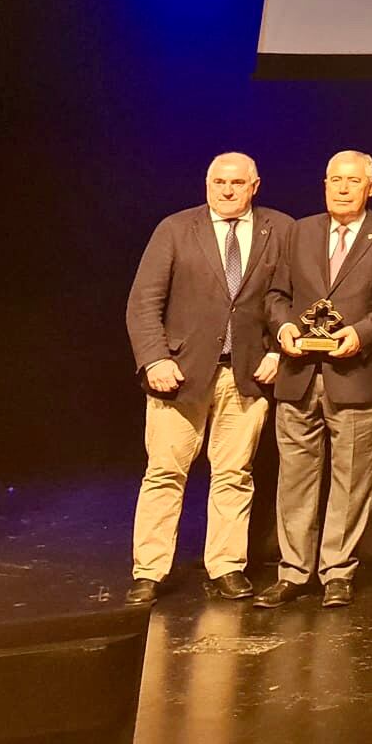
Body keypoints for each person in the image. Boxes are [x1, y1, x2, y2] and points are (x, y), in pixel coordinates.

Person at [123, 153, 291, 605]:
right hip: (179, 376)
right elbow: (143, 304)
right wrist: (155, 359)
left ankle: (226, 566)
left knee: (234, 473)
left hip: (246, 374)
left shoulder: (281, 230)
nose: (227, 190)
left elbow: (291, 300)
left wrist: (279, 351)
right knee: (164, 472)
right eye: (219, 181)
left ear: (255, 185)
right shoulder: (176, 229)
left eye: (237, 183)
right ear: (206, 182)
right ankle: (150, 571)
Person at [256, 151, 372, 608]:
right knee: (295, 478)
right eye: (334, 180)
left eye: (352, 181)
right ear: (324, 183)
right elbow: (276, 295)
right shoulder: (298, 232)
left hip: (357, 375)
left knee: (351, 481)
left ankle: (337, 572)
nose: (342, 188)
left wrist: (361, 334)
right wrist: (283, 326)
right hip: (298, 375)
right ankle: (293, 571)